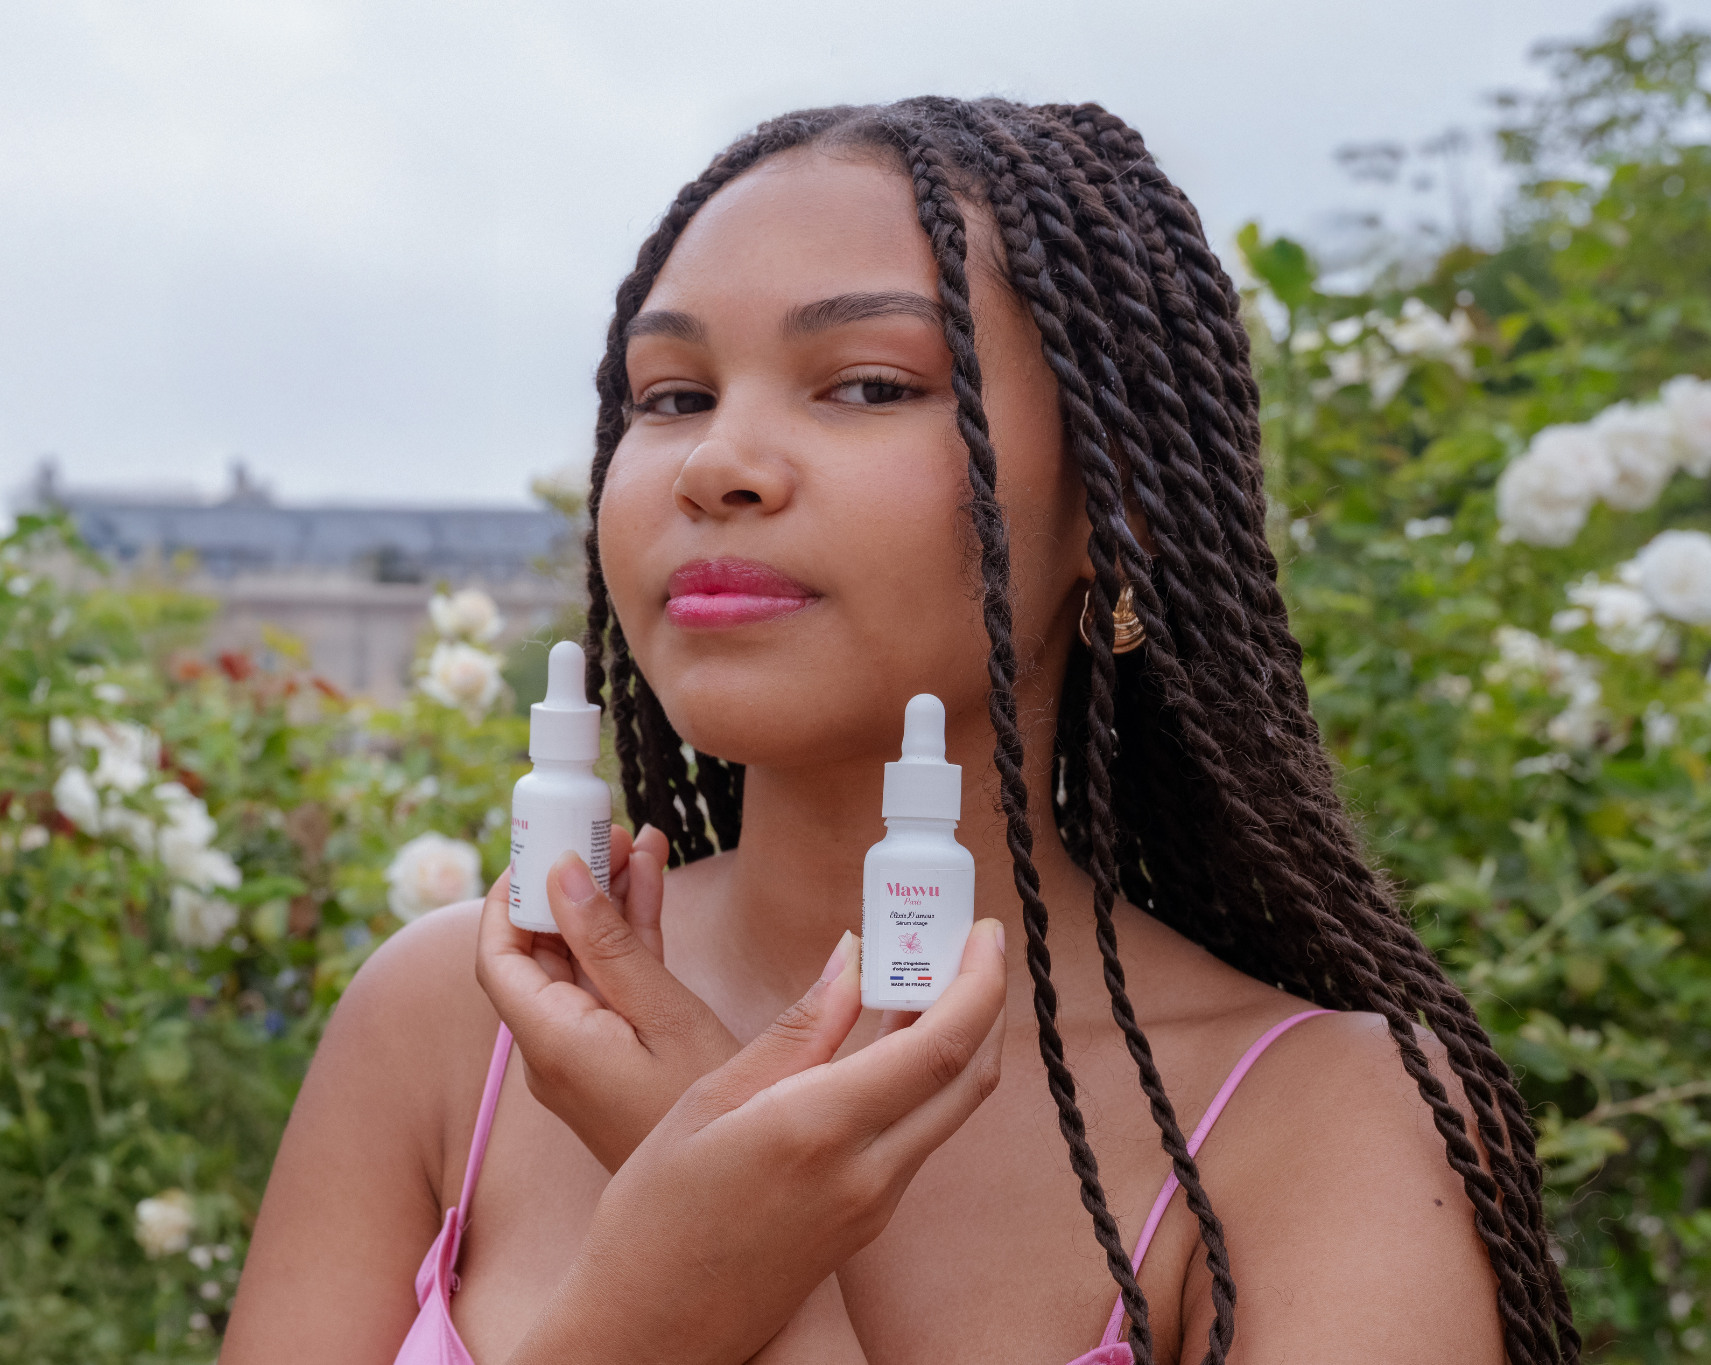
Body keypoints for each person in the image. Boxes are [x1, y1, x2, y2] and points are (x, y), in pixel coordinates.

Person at [224, 97, 1576, 1364]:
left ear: (1117, 512)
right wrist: (652, 1305)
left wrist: (755, 1283)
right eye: (672, 395)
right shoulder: (449, 1020)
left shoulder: (1317, 1122)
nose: (716, 463)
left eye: (869, 385)